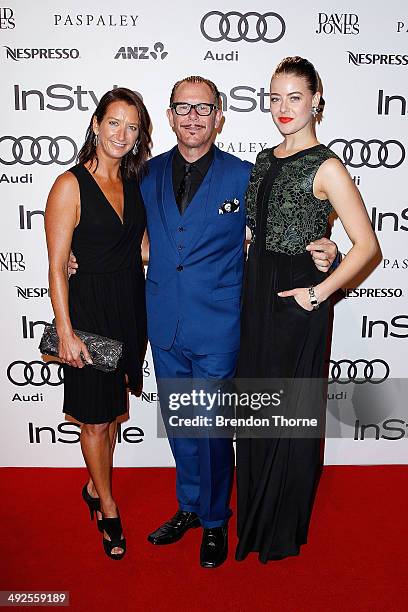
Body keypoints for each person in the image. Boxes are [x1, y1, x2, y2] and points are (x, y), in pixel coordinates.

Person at [68, 76, 339, 568]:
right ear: (170, 117)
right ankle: (189, 506)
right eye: (182, 109)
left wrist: (325, 247)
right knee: (181, 425)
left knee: (212, 429)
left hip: (219, 326)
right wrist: (76, 257)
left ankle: (215, 519)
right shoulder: (143, 175)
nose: (192, 118)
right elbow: (121, 235)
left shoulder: (245, 175)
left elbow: (283, 228)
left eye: (203, 109)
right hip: (163, 324)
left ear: (219, 117)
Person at [235, 57, 380, 563]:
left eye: (294, 97)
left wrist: (318, 293)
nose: (283, 108)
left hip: (298, 297)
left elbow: (367, 246)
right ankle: (253, 516)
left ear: (317, 98)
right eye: (274, 97)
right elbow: (251, 235)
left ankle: (280, 528)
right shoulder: (261, 158)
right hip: (257, 293)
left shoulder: (328, 166)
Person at [45, 88, 151, 560]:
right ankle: (107, 506)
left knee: (111, 413)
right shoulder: (69, 185)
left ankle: (93, 484)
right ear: (95, 124)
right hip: (88, 312)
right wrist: (64, 331)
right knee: (93, 417)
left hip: (128, 305)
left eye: (131, 127)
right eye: (114, 123)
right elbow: (55, 264)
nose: (122, 134)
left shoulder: (134, 182)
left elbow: (142, 249)